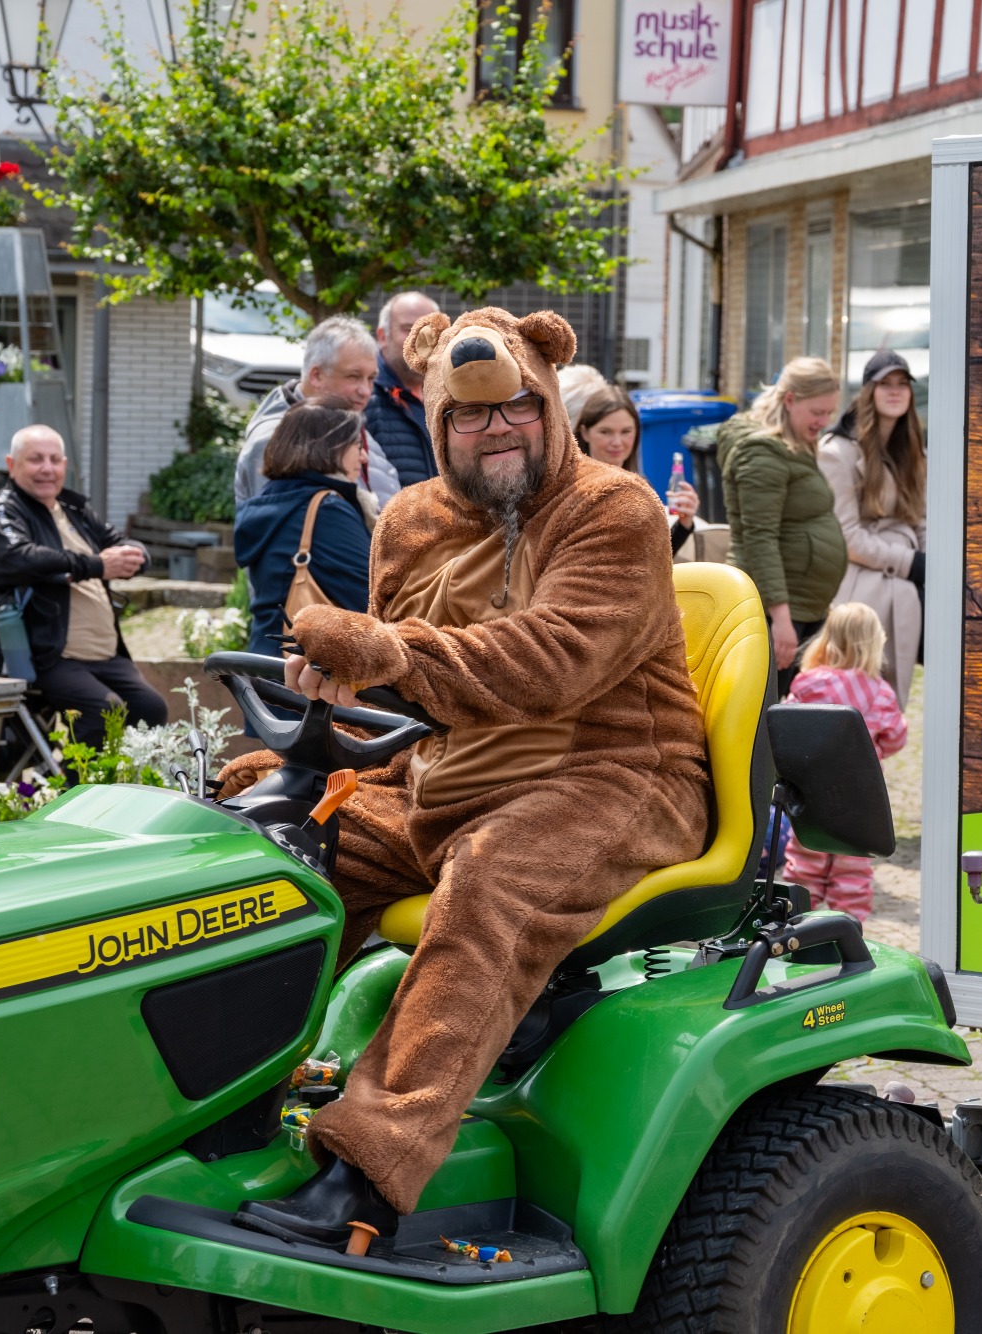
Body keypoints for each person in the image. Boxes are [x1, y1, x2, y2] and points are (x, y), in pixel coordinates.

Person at [226, 307, 708, 1244]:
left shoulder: (613, 509)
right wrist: (316, 747)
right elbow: (397, 701)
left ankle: (368, 1173)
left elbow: (551, 659)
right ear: (436, 421)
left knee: (489, 883)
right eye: (470, 414)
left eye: (518, 406)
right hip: (439, 783)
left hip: (612, 775)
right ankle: (218, 1102)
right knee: (266, 840)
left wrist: (391, 651)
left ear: (549, 404)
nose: (498, 429)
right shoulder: (409, 521)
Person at [0, 426, 169, 747]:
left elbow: (120, 542)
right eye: (36, 459)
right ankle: (75, 781)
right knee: (104, 710)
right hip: (46, 656)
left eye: (54, 460)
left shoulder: (75, 509)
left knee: (150, 709)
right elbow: (19, 556)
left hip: (105, 655)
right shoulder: (1, 510)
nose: (47, 468)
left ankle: (122, 779)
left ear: (64, 465)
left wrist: (136, 556)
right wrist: (96, 565)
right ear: (12, 464)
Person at [717, 357, 848, 688]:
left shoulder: (793, 443)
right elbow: (759, 537)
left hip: (801, 604)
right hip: (778, 609)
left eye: (829, 413)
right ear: (790, 399)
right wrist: (781, 618)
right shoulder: (762, 452)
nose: (824, 422)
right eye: (817, 412)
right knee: (769, 708)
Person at [779, 602, 908, 920]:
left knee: (804, 867)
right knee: (852, 872)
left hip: (813, 796)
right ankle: (848, 931)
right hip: (859, 800)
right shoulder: (880, 692)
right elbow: (895, 737)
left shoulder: (807, 683)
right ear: (874, 643)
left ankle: (797, 927)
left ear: (827, 639)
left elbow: (788, 731)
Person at [821, 349, 927, 707]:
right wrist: (911, 563)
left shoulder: (913, 451)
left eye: (902, 383)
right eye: (885, 384)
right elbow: (848, 537)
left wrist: (933, 564)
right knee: (861, 693)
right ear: (869, 391)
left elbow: (920, 518)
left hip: (905, 581)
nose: (895, 391)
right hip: (862, 580)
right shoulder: (838, 452)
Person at [233, 398, 373, 658]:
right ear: (329, 447)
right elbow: (371, 601)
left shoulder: (271, 502)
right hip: (308, 672)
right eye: (357, 445)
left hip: (266, 662)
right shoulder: (326, 510)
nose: (363, 456)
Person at [235, 316, 399, 511]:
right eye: (353, 376)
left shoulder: (344, 423)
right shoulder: (276, 440)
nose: (365, 391)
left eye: (371, 379)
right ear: (316, 376)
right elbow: (283, 524)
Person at [573, 383, 702, 555]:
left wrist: (684, 523)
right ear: (585, 433)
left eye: (626, 431)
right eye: (605, 432)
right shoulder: (572, 488)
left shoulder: (641, 486)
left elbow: (653, 558)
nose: (617, 442)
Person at [363, 291, 441, 488]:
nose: (419, 339)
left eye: (428, 331)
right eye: (408, 329)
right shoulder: (363, 398)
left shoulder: (451, 395)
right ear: (382, 336)